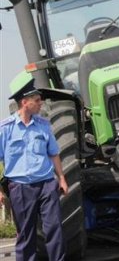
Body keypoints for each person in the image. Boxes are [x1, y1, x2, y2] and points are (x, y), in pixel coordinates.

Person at [0, 77, 68, 261]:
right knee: (26, 235)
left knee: (55, 229)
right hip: (20, 188)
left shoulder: (44, 126)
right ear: (25, 102)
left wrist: (61, 178)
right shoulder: (5, 129)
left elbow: (53, 153)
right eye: (37, 100)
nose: (41, 103)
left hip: (47, 185)